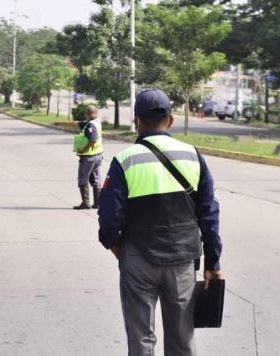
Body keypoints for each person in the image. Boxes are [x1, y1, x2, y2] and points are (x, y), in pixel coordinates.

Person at [98, 89, 223, 356]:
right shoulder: (192, 155)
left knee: (141, 338)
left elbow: (109, 216)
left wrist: (117, 247)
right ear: (171, 120)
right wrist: (213, 262)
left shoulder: (125, 160)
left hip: (138, 259)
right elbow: (209, 215)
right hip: (182, 261)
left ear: (136, 121)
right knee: (181, 339)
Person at [73, 106, 103, 210]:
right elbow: (79, 123)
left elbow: (92, 140)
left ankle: (85, 203)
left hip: (89, 157)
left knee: (83, 178)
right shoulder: (96, 122)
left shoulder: (91, 125)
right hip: (98, 155)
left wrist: (83, 150)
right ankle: (98, 203)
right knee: (95, 179)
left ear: (88, 114)